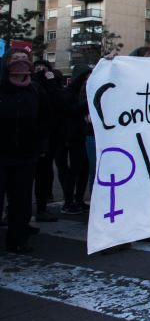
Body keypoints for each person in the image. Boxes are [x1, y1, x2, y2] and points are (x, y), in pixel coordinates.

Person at [1, 50, 48, 253]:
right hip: (2, 154)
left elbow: (46, 118)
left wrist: (40, 146)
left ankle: (18, 239)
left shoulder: (36, 90)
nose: (20, 63)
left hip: (25, 155)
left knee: (20, 200)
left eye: (24, 60)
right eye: (15, 60)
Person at [33, 61, 66, 223]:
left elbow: (58, 102)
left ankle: (41, 207)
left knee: (44, 174)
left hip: (49, 138)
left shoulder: (53, 87)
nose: (40, 71)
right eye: (37, 69)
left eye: (43, 69)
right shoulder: (29, 87)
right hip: (29, 139)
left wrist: (51, 82)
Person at [62, 66, 92, 215]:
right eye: (87, 77)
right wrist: (88, 101)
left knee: (85, 170)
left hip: (87, 134)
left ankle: (79, 199)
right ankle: (68, 201)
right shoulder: (70, 93)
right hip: (75, 136)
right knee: (74, 169)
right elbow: (72, 110)